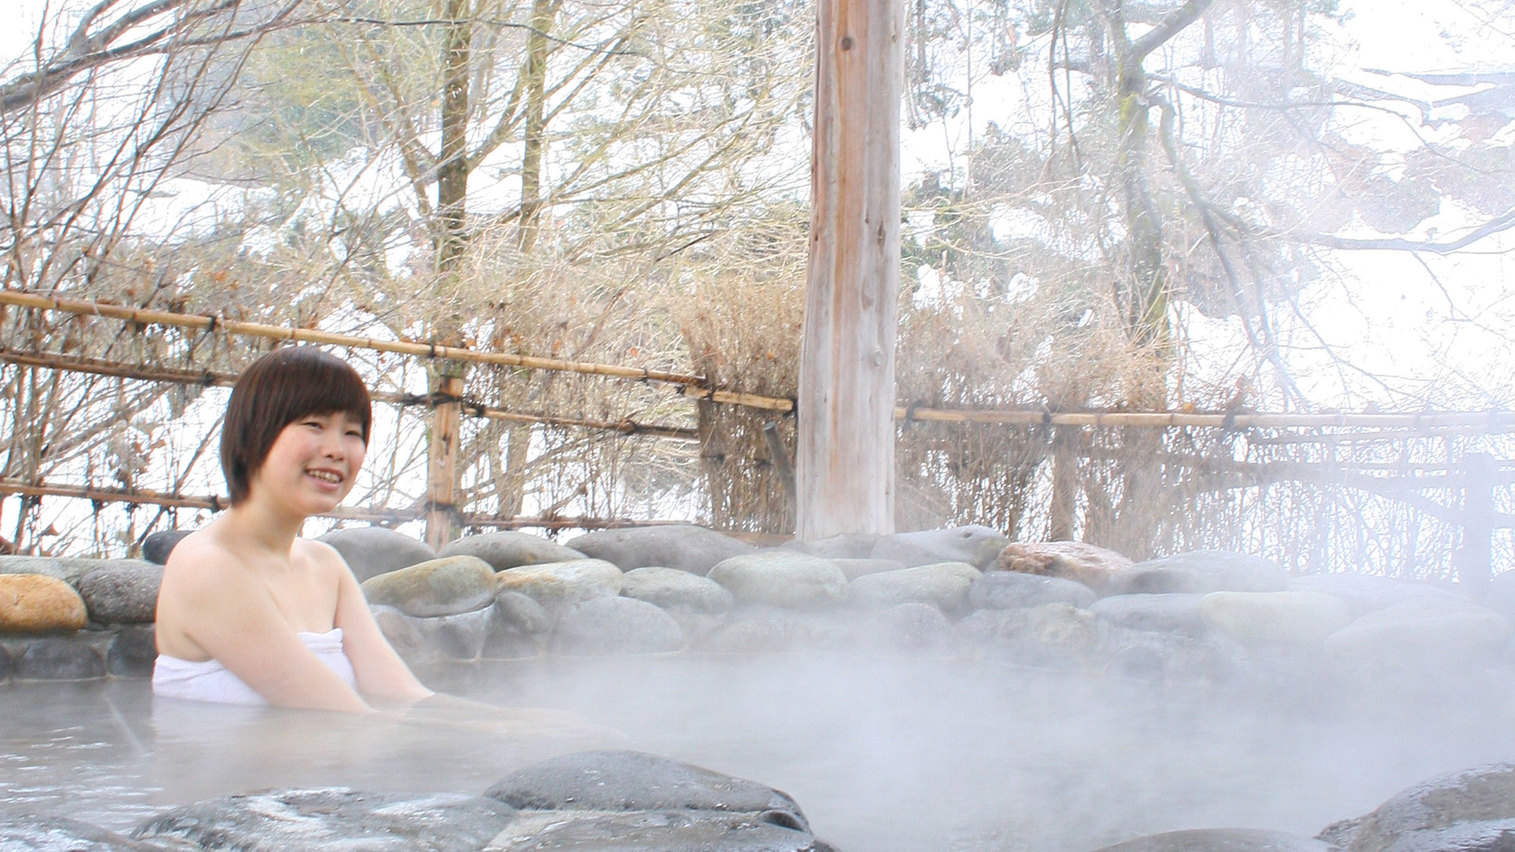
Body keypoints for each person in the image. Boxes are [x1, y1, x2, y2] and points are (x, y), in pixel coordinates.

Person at [153, 346, 434, 713]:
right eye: (315, 425)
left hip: (319, 766)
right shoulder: (207, 565)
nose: (336, 450)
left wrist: (522, 726)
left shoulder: (325, 565)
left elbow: (402, 694)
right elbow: (340, 717)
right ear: (255, 432)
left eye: (352, 432)